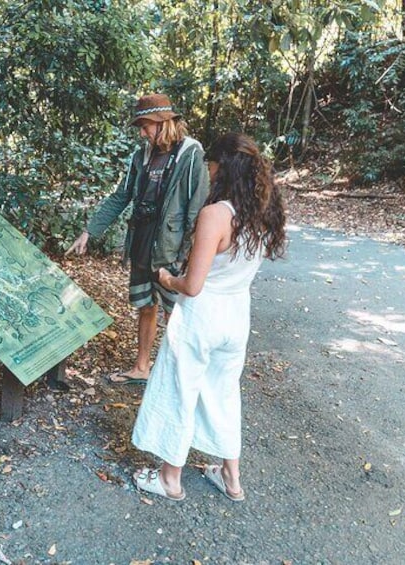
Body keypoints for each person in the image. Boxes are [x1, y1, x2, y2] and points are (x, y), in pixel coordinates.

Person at [130, 132, 287, 502]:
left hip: (203, 316)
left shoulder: (216, 215)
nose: (209, 173)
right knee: (224, 392)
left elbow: (194, 284)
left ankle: (171, 479)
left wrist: (167, 277)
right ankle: (231, 480)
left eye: (211, 166)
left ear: (223, 168)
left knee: (180, 388)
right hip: (236, 315)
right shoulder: (263, 213)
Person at [65, 93, 209, 385]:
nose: (142, 132)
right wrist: (89, 231)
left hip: (171, 247)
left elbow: (197, 206)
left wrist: (190, 253)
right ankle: (141, 368)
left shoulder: (191, 153)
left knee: (175, 312)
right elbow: (121, 196)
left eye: (146, 126)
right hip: (142, 239)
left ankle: (181, 376)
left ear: (163, 123)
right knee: (146, 305)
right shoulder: (141, 155)